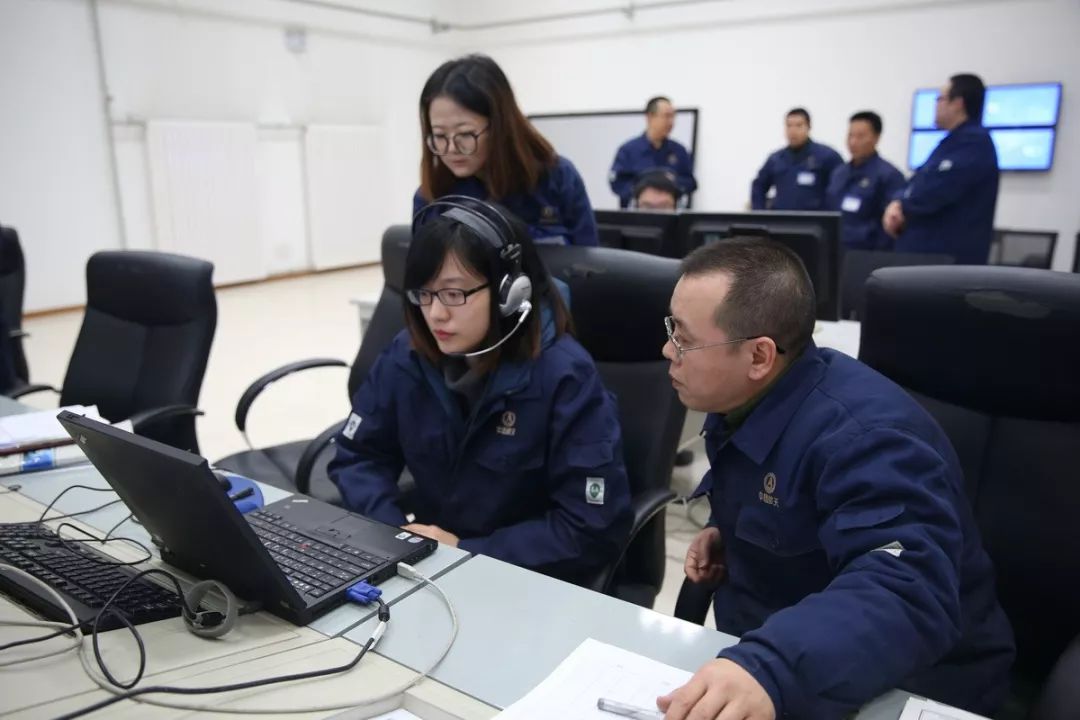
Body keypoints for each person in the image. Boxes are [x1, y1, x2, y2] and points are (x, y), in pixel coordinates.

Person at [654, 238, 1014, 719]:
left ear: (759, 357)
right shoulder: (745, 402)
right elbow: (795, 511)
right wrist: (736, 534)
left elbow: (907, 589)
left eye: (684, 339)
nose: (667, 350)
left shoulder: (867, 437)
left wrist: (772, 666)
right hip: (804, 663)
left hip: (917, 685)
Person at [328, 198, 631, 585]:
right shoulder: (408, 354)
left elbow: (590, 527)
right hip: (427, 568)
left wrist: (467, 551)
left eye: (454, 294)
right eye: (423, 293)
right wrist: (396, 534)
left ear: (511, 293)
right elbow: (357, 456)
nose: (436, 313)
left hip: (523, 578)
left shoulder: (565, 377)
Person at [413, 54, 598, 246]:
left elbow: (591, 267)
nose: (451, 149)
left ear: (500, 126)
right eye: (440, 136)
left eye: (466, 134)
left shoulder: (557, 178)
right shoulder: (431, 196)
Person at [883, 74, 999, 264]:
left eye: (940, 99)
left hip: (946, 265)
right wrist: (897, 201)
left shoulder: (974, 143)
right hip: (926, 260)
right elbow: (916, 181)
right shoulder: (949, 144)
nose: (936, 105)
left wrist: (901, 205)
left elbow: (933, 192)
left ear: (958, 103)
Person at [825, 111, 906, 251]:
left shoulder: (889, 176)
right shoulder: (839, 173)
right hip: (834, 249)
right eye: (850, 135)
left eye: (860, 136)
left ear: (876, 138)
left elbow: (889, 226)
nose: (853, 142)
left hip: (867, 253)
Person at [610, 96, 697, 208]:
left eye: (673, 117)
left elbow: (691, 183)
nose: (671, 122)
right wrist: (643, 189)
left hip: (670, 216)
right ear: (650, 117)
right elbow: (617, 183)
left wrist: (672, 184)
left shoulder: (679, 151)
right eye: (667, 116)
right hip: (637, 217)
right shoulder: (628, 150)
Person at [751, 108, 843, 211]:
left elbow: (840, 190)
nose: (793, 131)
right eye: (789, 126)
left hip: (814, 222)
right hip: (782, 221)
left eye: (799, 126)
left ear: (808, 127)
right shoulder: (776, 159)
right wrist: (760, 214)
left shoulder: (827, 157)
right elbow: (758, 186)